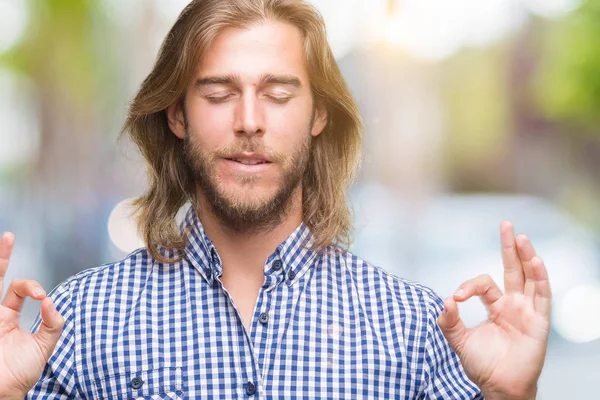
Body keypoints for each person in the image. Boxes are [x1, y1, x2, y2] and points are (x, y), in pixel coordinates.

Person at [0, 0, 551, 398]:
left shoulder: (415, 331)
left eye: (278, 94)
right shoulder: (78, 323)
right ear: (176, 115)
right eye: (219, 94)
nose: (248, 121)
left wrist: (510, 395)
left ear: (318, 115)